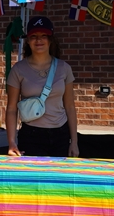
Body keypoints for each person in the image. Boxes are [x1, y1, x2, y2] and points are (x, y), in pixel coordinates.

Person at [5, 15, 78, 158]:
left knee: (59, 172)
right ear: (28, 40)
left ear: (50, 39)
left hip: (61, 135)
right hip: (31, 136)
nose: (39, 40)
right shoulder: (18, 70)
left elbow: (70, 106)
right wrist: (12, 142)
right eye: (34, 36)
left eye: (43, 36)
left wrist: (74, 142)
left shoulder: (64, 68)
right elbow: (11, 109)